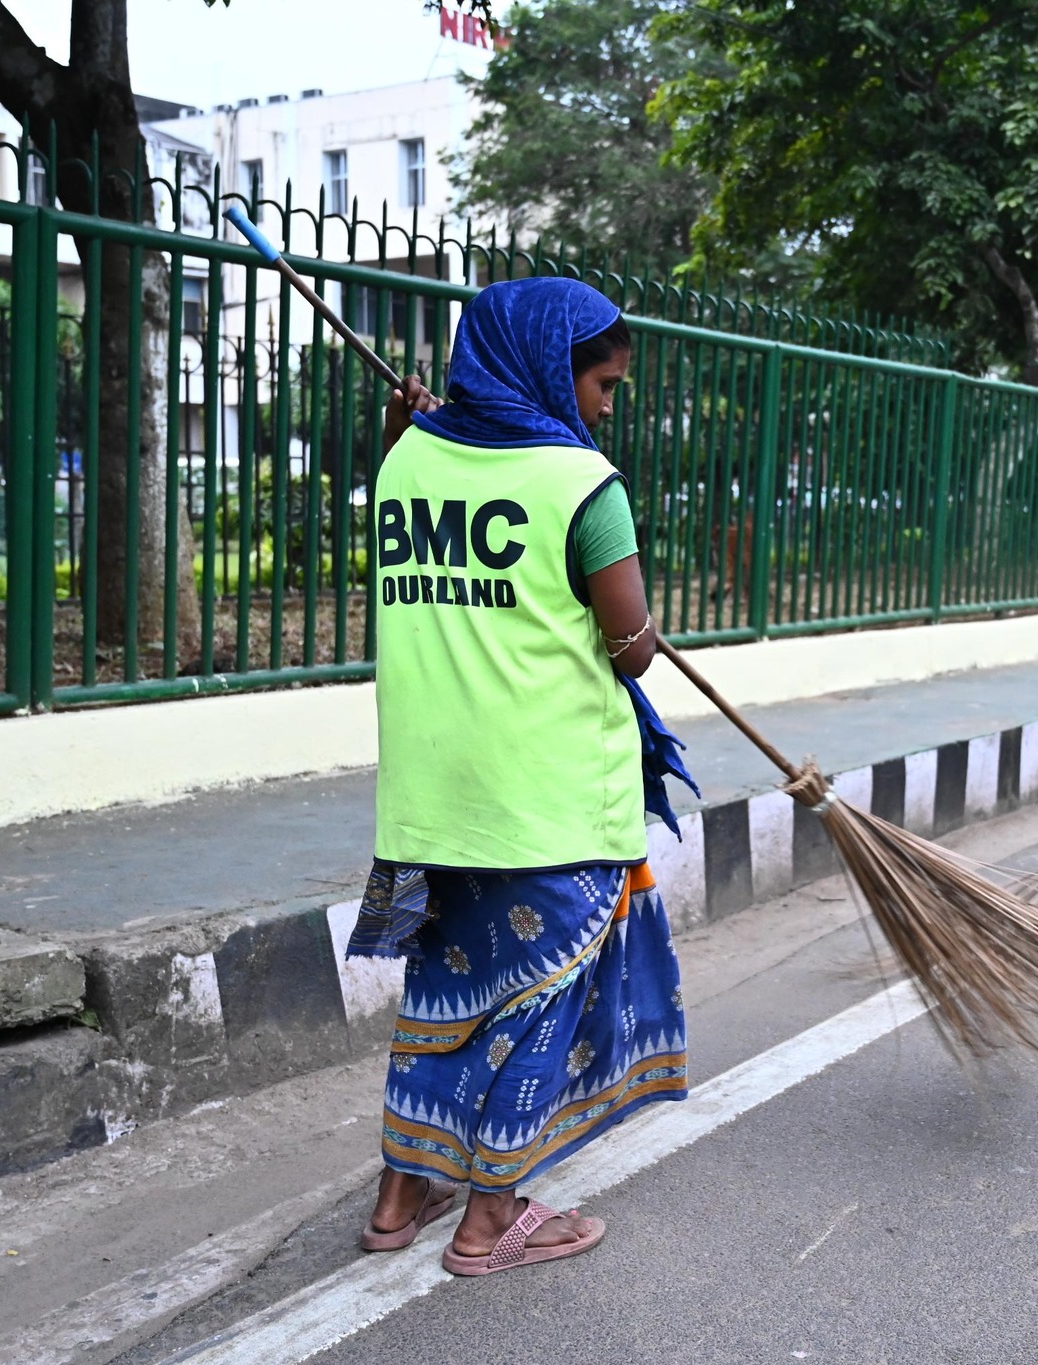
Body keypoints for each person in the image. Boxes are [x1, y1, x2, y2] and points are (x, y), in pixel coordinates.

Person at [348, 277, 688, 1277]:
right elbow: (631, 650)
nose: (606, 405)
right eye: (601, 382)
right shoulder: (583, 484)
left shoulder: (406, 460)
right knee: (539, 1006)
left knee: (441, 995)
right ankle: (491, 1219)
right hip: (547, 805)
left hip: (427, 805)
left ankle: (400, 1196)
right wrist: (640, 625)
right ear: (546, 367)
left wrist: (399, 426)